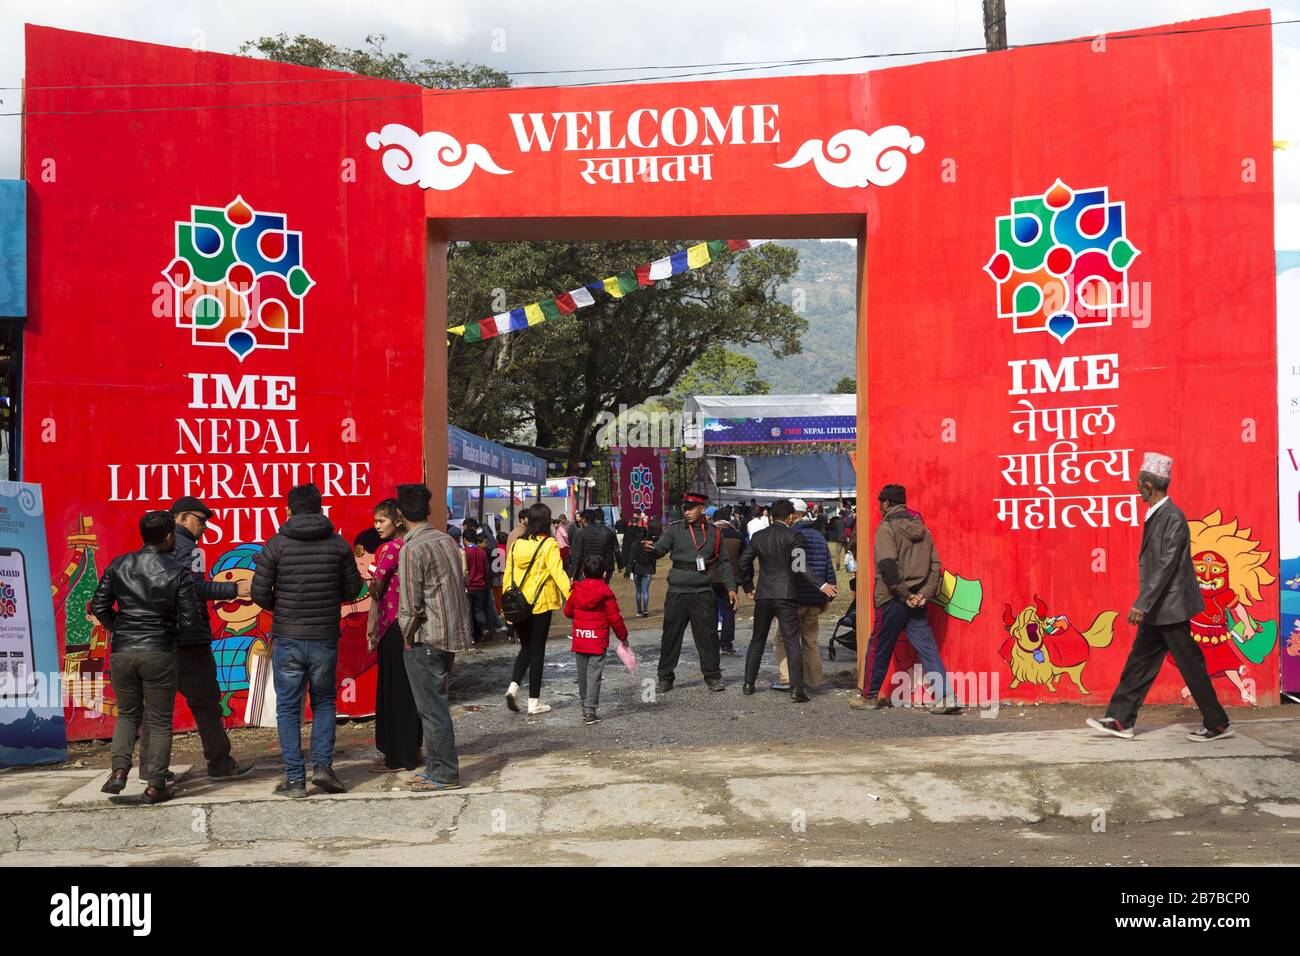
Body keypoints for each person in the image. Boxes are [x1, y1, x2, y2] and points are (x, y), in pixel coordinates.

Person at [1087, 453, 1233, 741]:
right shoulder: (1158, 515)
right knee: (1140, 660)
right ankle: (1120, 720)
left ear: (1150, 485)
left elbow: (1167, 565)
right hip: (1160, 606)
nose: (1136, 488)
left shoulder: (1172, 518)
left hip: (1171, 606)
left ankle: (1217, 723)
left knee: (1189, 664)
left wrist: (1142, 603)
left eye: (1139, 483)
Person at [252, 483, 365, 798]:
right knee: (325, 701)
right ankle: (323, 769)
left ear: (289, 510)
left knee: (289, 709)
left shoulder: (275, 545)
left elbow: (260, 593)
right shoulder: (339, 545)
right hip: (325, 636)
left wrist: (284, 609)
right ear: (320, 509)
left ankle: (294, 780)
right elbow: (353, 590)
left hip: (288, 636)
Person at [135, 496, 254, 783]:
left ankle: (150, 770)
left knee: (155, 709)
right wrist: (234, 588)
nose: (204, 528)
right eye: (201, 521)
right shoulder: (189, 547)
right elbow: (195, 587)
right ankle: (220, 763)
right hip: (189, 640)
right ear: (183, 518)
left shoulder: (145, 551)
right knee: (207, 703)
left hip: (156, 640)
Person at [94, 511, 200, 804]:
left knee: (128, 714)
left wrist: (121, 629)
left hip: (123, 651)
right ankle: (156, 785)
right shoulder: (177, 570)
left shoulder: (119, 564)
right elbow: (190, 617)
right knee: (160, 720)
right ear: (169, 537)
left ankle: (118, 771)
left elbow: (99, 606)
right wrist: (169, 636)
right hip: (159, 651)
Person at [850, 484, 960, 714]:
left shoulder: (886, 527)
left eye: (881, 503)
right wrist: (922, 594)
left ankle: (869, 696)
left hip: (892, 598)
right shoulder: (921, 527)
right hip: (917, 599)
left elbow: (888, 565)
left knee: (879, 646)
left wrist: (904, 594)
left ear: (887, 503)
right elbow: (935, 566)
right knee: (927, 648)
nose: (879, 507)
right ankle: (945, 696)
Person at [395, 483, 473, 792]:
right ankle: (436, 766)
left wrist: (406, 636)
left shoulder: (412, 548)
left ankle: (445, 772)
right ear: (428, 510)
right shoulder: (445, 540)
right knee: (434, 705)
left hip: (426, 637)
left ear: (399, 515)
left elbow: (411, 604)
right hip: (450, 633)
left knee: (432, 708)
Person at [739, 498, 836, 702]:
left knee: (757, 639)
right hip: (786, 594)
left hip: (764, 594)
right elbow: (800, 565)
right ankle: (796, 689)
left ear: (772, 515)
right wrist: (821, 584)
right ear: (791, 516)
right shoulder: (794, 536)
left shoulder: (758, 536)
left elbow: (743, 562)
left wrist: (748, 586)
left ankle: (748, 683)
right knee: (792, 642)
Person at [643, 491, 737, 692]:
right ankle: (665, 678)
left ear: (701, 509)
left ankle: (713, 676)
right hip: (677, 591)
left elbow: (724, 563)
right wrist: (651, 550)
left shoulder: (715, 533)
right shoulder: (674, 530)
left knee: (708, 636)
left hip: (703, 592)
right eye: (684, 508)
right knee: (671, 636)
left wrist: (731, 588)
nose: (685, 512)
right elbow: (660, 549)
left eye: (690, 508)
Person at [366, 498, 422, 773]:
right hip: (413, 626)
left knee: (393, 691)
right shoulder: (414, 545)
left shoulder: (390, 549)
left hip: (392, 627)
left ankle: (397, 756)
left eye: (381, 521)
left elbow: (376, 588)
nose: (376, 526)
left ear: (397, 520)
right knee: (411, 691)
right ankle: (413, 750)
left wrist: (370, 583)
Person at [504, 502, 572, 715]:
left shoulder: (516, 545)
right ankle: (534, 702)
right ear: (545, 521)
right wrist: (573, 597)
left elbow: (508, 575)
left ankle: (513, 687)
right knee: (538, 652)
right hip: (541, 605)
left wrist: (507, 608)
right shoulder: (549, 545)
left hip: (518, 605)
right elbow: (558, 573)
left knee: (526, 647)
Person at [564, 554, 631, 724]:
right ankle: (590, 710)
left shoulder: (576, 589)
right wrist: (623, 638)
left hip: (580, 638)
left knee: (582, 674)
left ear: (584, 574)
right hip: (598, 640)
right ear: (603, 574)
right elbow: (615, 618)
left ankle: (584, 704)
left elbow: (568, 612)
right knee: (594, 675)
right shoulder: (606, 593)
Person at [782, 497, 837, 693]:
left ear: (794, 515)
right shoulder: (819, 537)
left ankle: (788, 678)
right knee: (810, 641)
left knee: (783, 638)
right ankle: (814, 681)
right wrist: (829, 595)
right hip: (815, 596)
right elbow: (828, 567)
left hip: (794, 596)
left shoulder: (789, 535)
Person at [712, 507, 745, 654]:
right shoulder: (737, 536)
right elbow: (744, 559)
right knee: (729, 611)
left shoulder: (709, 534)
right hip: (731, 579)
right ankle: (726, 644)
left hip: (710, 578)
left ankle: (710, 641)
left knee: (710, 610)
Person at [568, 508, 618, 582]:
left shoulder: (581, 534)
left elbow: (576, 556)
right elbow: (606, 554)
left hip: (584, 572)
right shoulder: (602, 534)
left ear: (584, 520)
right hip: (598, 572)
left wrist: (572, 574)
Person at [626, 516, 661, 617]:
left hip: (637, 570)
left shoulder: (634, 545)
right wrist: (653, 569)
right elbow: (654, 558)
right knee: (645, 591)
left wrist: (627, 571)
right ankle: (645, 610)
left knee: (638, 591)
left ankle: (639, 610)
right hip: (648, 570)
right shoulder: (649, 545)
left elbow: (630, 560)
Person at [463, 531, 492, 642]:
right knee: (479, 610)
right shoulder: (482, 552)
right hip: (481, 586)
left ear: (465, 539)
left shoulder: (464, 553)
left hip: (468, 587)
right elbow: (487, 570)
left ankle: (471, 637)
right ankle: (484, 629)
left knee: (468, 612)